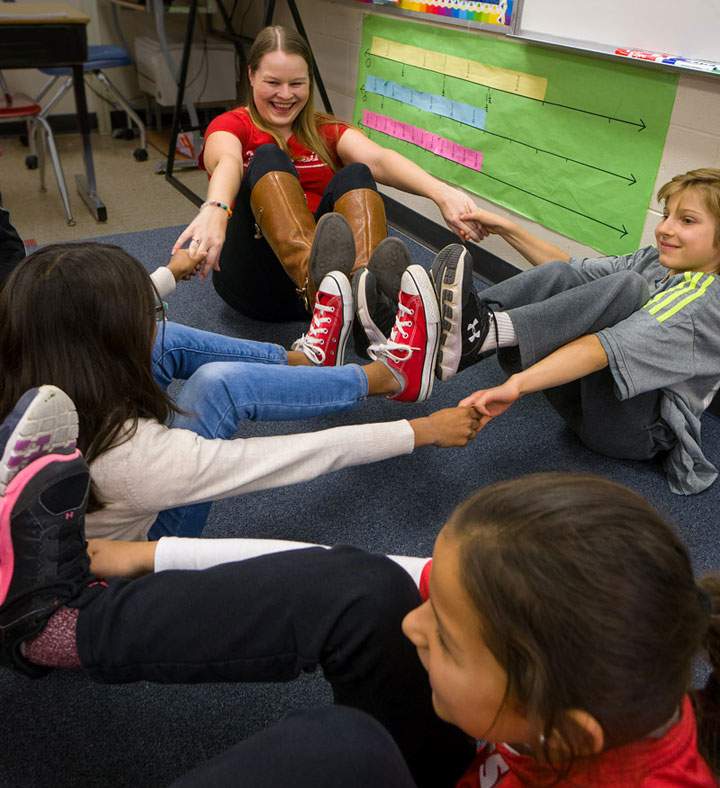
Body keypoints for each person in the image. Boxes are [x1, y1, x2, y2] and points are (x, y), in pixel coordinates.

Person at [1, 389, 718, 786]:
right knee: (362, 586)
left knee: (339, 754)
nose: (417, 625)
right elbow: (353, 568)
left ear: (561, 737)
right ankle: (54, 628)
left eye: (443, 635)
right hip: (482, 746)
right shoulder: (568, 654)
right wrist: (148, 556)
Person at [0, 244, 480, 542]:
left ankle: (306, 360)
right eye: (143, 314)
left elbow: (74, 313)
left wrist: (170, 272)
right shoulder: (134, 461)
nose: (152, 315)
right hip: (138, 548)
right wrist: (421, 430)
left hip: (94, 496)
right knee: (220, 384)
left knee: (167, 343)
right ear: (109, 340)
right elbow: (299, 455)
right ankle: (390, 378)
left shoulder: (26, 364)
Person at [428, 167, 720, 495]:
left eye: (687, 220)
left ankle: (480, 333)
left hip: (633, 433)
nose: (664, 228)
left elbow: (604, 348)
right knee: (567, 276)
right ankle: (440, 334)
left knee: (627, 287)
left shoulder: (704, 300)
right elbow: (571, 269)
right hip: (590, 402)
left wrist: (516, 386)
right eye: (666, 215)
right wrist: (507, 228)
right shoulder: (656, 261)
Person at [173, 25, 479, 322]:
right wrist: (216, 207)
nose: (285, 94)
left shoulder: (324, 130)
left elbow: (380, 159)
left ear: (309, 83)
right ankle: (322, 288)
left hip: (328, 296)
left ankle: (363, 293)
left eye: (296, 83)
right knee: (268, 157)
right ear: (251, 76)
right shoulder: (234, 125)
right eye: (273, 82)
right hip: (255, 286)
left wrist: (442, 193)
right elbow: (226, 160)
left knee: (357, 172)